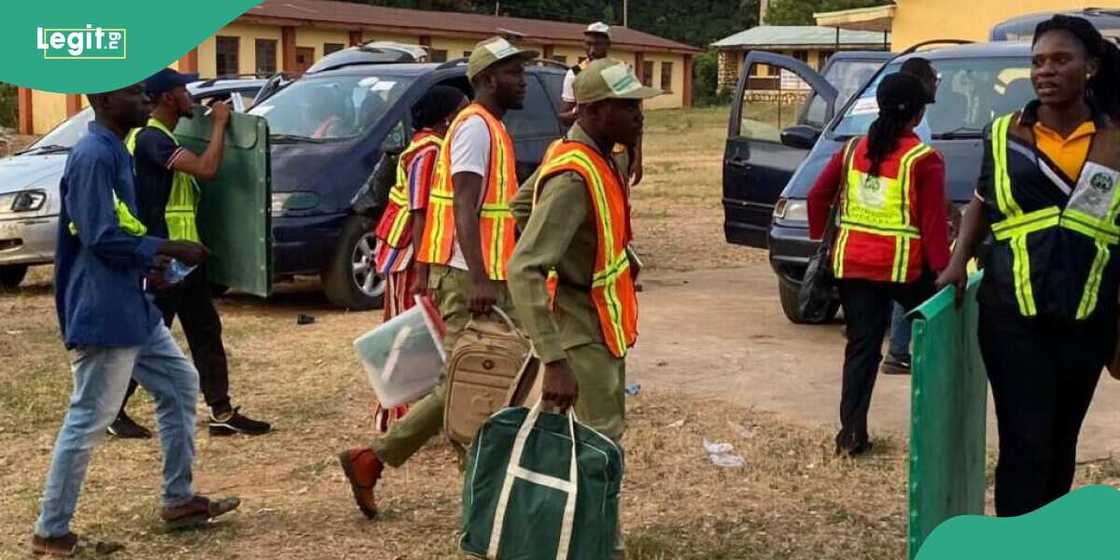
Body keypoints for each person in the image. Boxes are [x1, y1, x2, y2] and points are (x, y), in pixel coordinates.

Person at [31, 83, 239, 557]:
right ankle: (52, 532)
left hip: (131, 302)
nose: (146, 102)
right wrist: (166, 247)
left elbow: (121, 227)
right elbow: (99, 235)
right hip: (103, 308)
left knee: (180, 384)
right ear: (103, 102)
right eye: (134, 96)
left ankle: (178, 500)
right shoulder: (93, 156)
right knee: (88, 417)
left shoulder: (115, 150)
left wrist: (152, 266)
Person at [337, 36, 536, 519]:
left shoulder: (488, 126)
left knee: (477, 379)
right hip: (470, 276)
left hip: (482, 272)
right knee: (478, 380)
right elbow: (464, 206)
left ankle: (373, 459)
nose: (523, 80)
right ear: (488, 79)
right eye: (513, 73)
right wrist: (482, 278)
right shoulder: (474, 129)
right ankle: (482, 503)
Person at [938, 14, 1120, 517]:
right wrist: (957, 263)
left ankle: (1050, 539)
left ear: (1091, 67)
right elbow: (980, 199)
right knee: (1024, 442)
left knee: (1062, 443)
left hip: (1088, 316)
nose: (1045, 70)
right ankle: (1016, 541)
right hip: (1011, 316)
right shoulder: (1003, 134)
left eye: (1061, 59)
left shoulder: (1114, 141)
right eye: (1037, 61)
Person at [508, 58, 659, 558]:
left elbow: (521, 207)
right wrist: (553, 357)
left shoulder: (594, 157)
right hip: (580, 330)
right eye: (628, 106)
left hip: (604, 322)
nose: (639, 115)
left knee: (596, 445)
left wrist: (614, 254)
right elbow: (525, 266)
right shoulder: (574, 175)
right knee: (599, 449)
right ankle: (597, 548)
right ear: (593, 111)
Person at [109, 68, 271, 439]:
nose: (191, 96)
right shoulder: (152, 139)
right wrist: (219, 125)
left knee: (205, 330)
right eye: (184, 89)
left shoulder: (165, 135)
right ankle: (111, 410)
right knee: (149, 335)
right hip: (165, 258)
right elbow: (206, 168)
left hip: (186, 257)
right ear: (168, 97)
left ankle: (221, 411)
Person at [808, 72, 950, 457]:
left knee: (862, 349)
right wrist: (945, 273)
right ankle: (942, 430)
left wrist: (821, 236)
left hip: (853, 266)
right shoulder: (924, 159)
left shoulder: (852, 150)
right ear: (918, 115)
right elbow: (934, 225)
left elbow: (817, 197)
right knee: (942, 342)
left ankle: (850, 436)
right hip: (905, 269)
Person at [368, 85, 469, 432]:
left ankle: (418, 413)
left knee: (420, 334)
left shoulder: (436, 146)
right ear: (446, 118)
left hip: (414, 249)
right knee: (405, 334)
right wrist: (425, 267)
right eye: (462, 109)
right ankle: (395, 415)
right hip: (408, 251)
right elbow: (420, 211)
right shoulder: (429, 151)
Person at [883, 57, 939, 376]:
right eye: (933, 79)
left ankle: (897, 350)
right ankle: (901, 352)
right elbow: (919, 176)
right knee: (913, 291)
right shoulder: (919, 130)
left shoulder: (878, 110)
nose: (936, 85)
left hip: (874, 224)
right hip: (903, 224)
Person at [559, 22, 644, 186]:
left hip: (618, 150)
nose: (591, 50)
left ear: (608, 44)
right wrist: (582, 112)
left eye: (597, 44)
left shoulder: (621, 71)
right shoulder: (575, 73)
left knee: (617, 194)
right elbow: (563, 115)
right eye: (588, 44)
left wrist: (637, 157)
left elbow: (636, 119)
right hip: (587, 146)